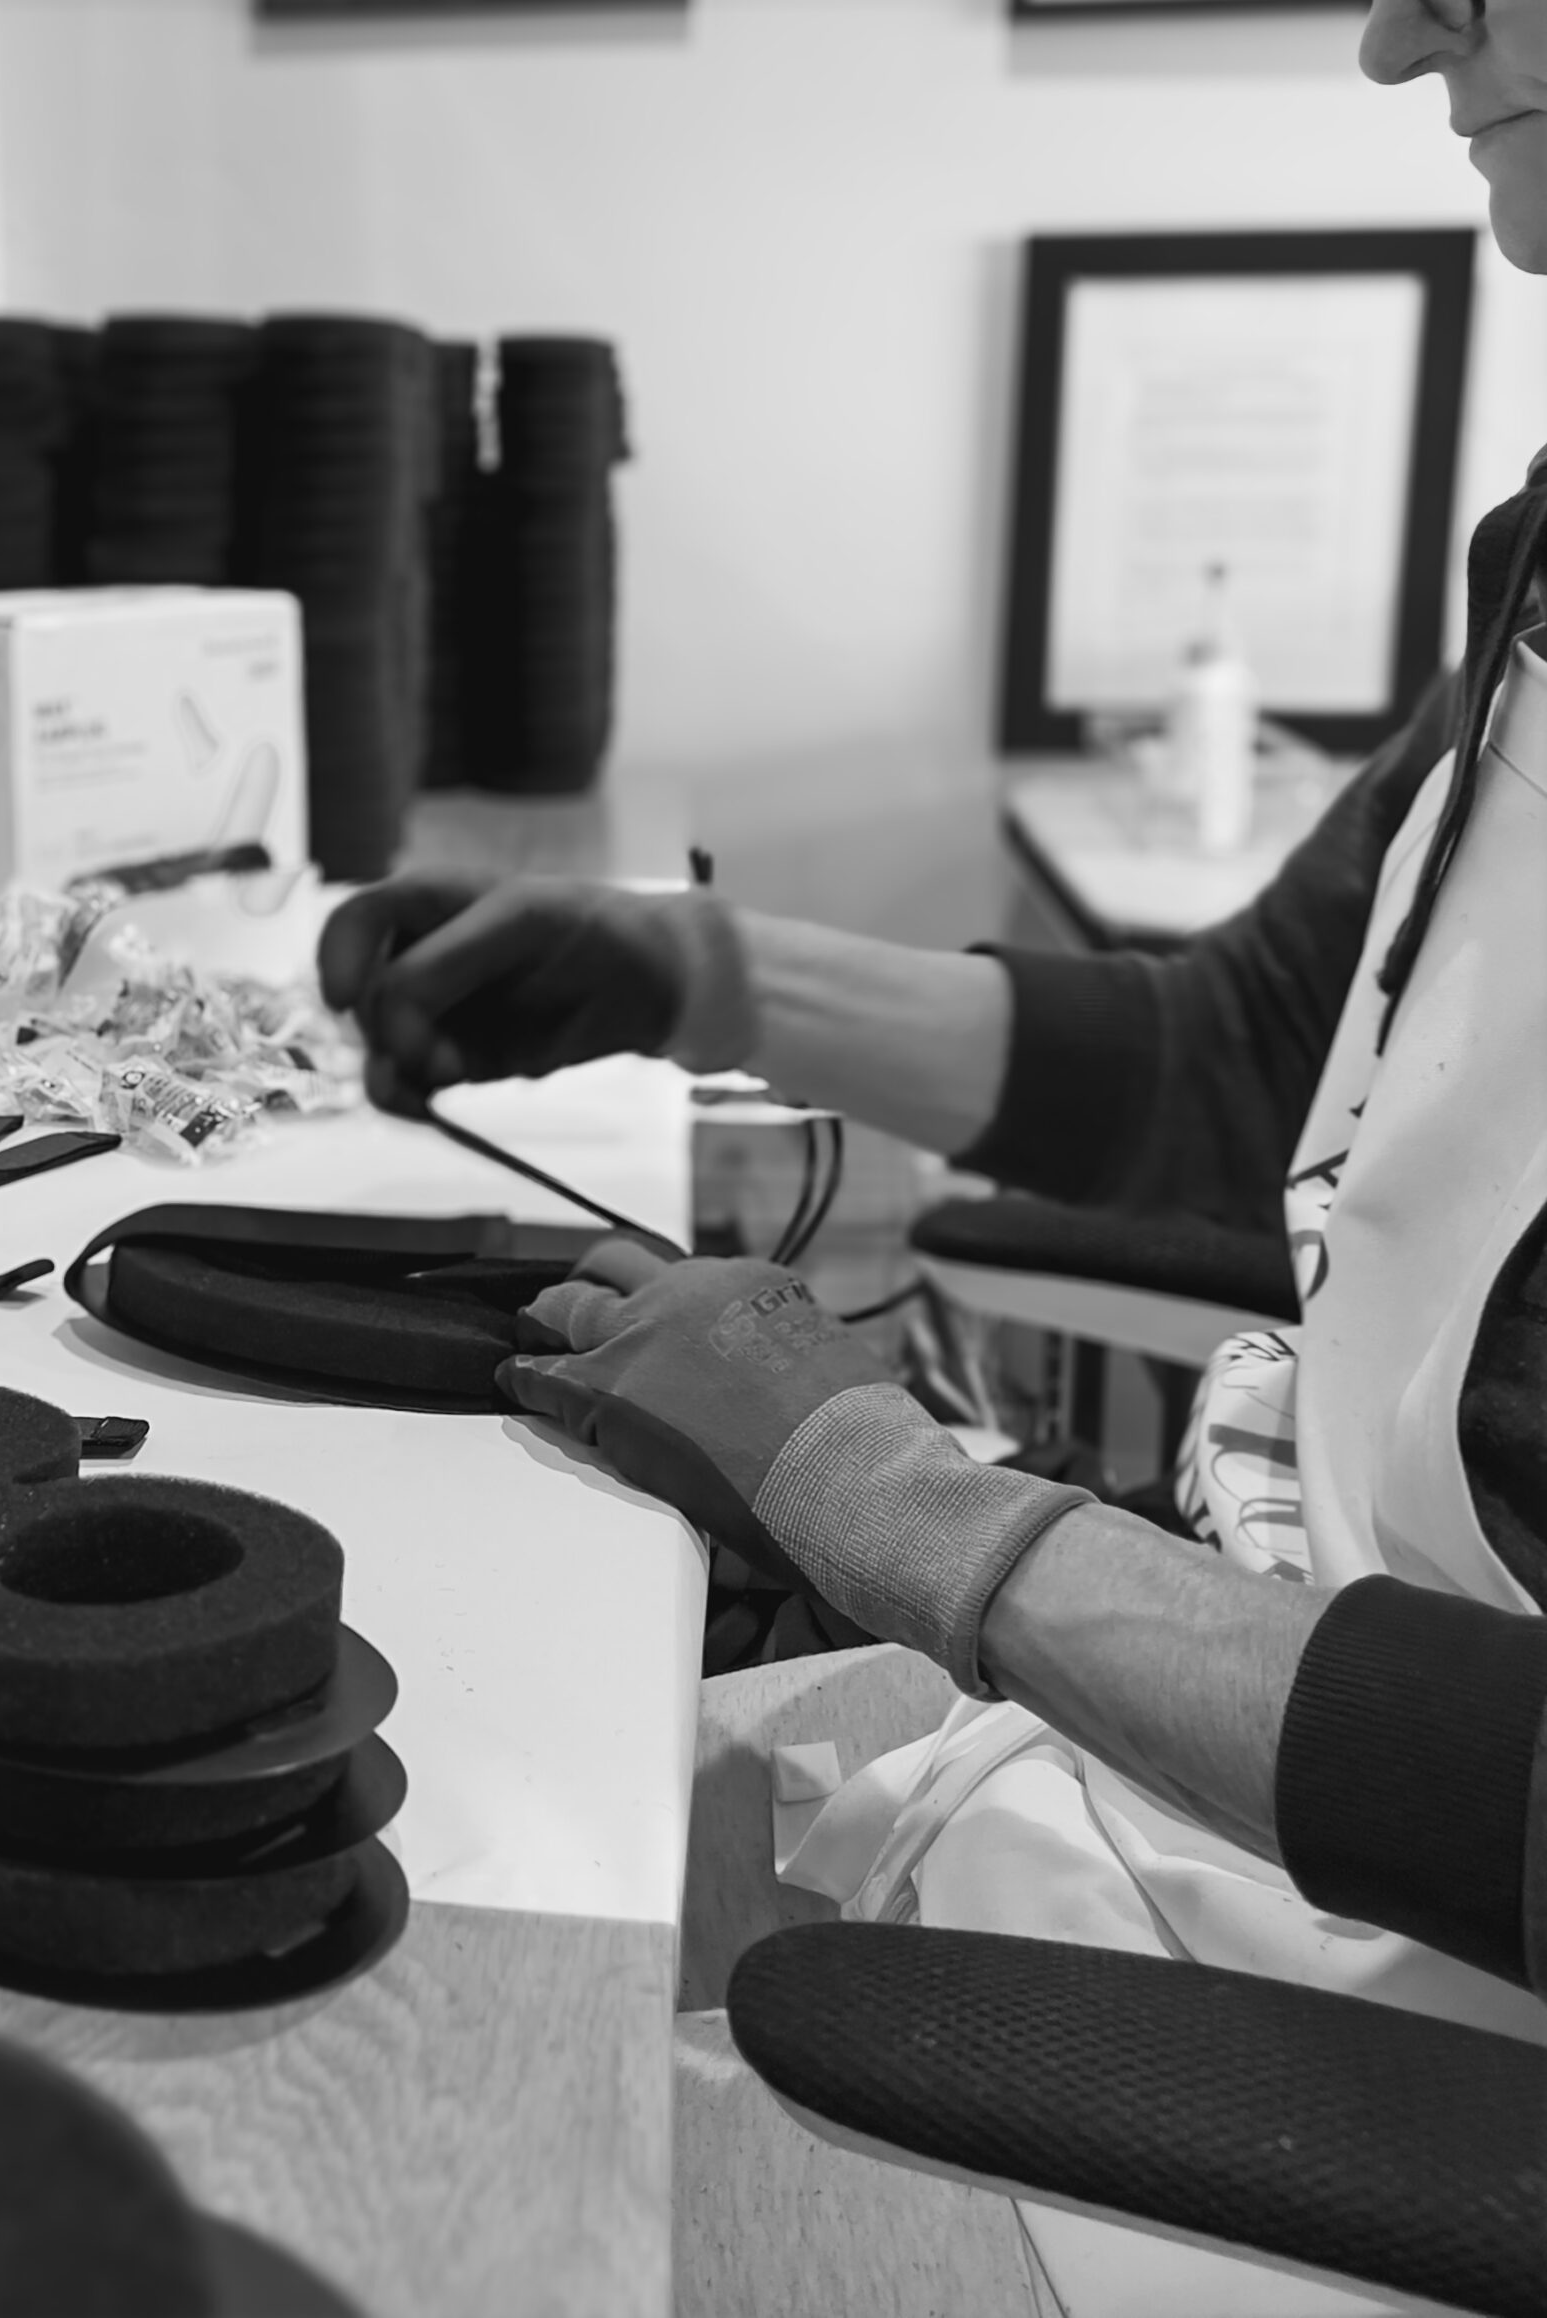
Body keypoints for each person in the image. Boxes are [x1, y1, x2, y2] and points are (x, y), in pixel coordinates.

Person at [321, 0, 1547, 2025]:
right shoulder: (1540, 568)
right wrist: (698, 975)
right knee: (504, 1813)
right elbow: (1255, 1052)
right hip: (1274, 1711)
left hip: (1444, 2007)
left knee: (468, 1996)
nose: (1394, 40)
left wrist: (888, 1495)